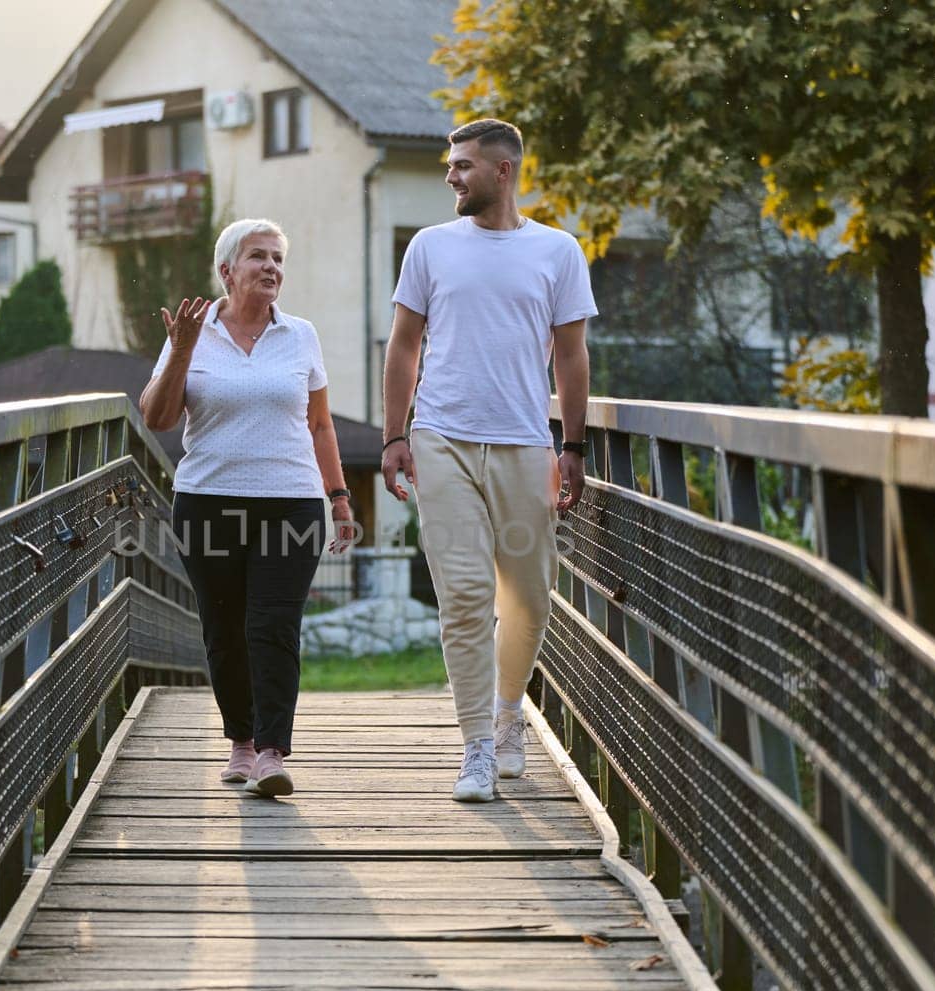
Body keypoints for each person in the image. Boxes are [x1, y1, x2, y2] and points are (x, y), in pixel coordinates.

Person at [382, 118, 596, 803]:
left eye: (463, 165)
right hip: (441, 437)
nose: (450, 175)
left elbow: (570, 354)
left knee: (530, 598)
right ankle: (476, 746)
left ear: (503, 171)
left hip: (525, 442)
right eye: (450, 165)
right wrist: (395, 435)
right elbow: (403, 347)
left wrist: (574, 446)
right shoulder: (430, 247)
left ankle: (510, 714)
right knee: (467, 596)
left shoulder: (557, 251)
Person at [140, 218, 357, 798]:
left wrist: (338, 498)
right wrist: (182, 350)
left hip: (291, 504)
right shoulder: (191, 332)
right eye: (258, 256)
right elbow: (157, 418)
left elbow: (319, 423)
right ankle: (239, 740)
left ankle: (269, 752)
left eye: (278, 259)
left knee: (274, 625)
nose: (271, 268)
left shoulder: (301, 335)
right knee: (224, 627)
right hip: (207, 503)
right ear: (226, 270)